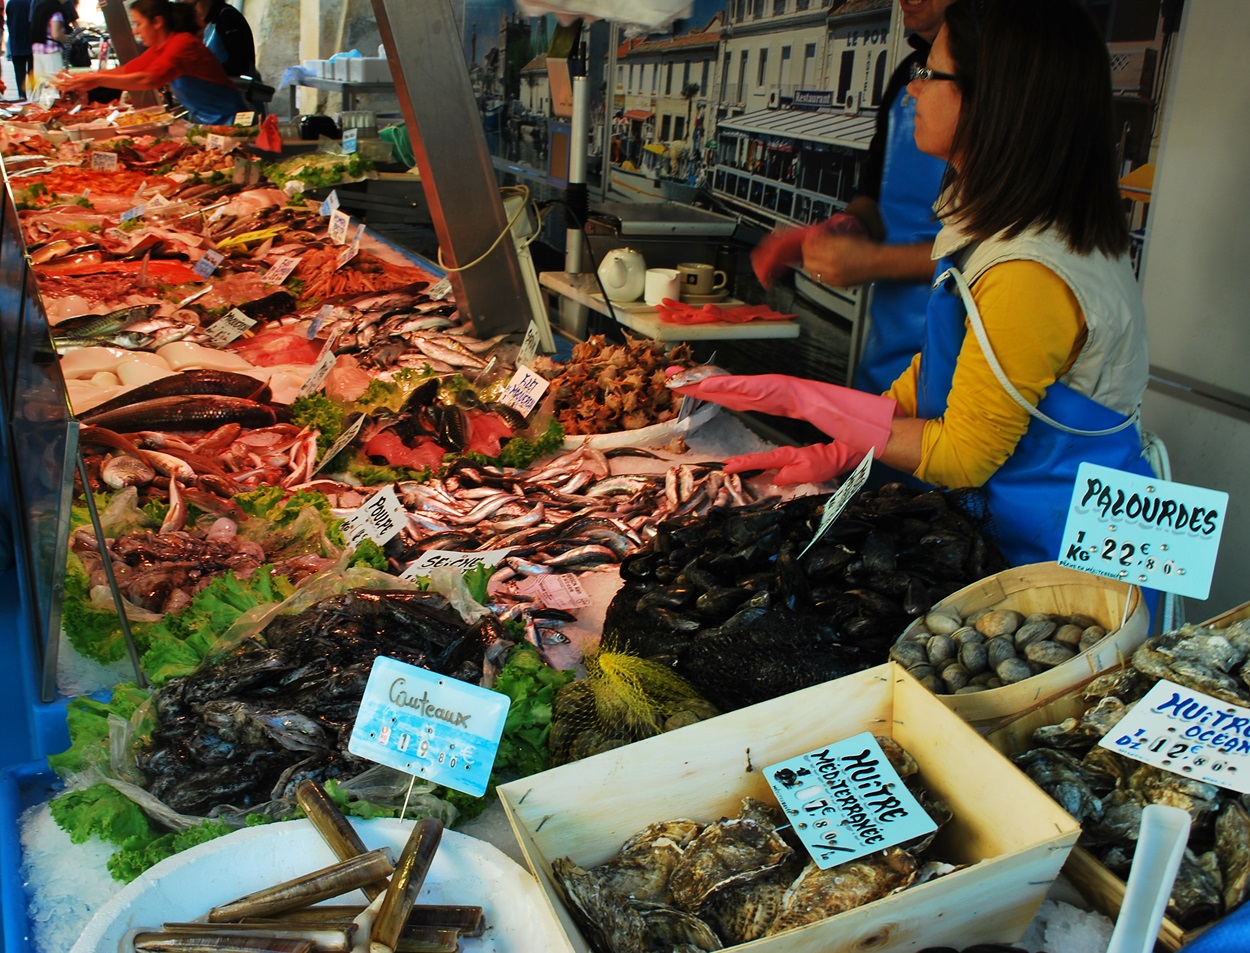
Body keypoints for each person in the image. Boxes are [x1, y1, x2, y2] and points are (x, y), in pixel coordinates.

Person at [670, 0, 1154, 577]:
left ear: (992, 98)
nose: (911, 92)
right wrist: (842, 448)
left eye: (929, 74)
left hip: (1066, 562)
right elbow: (939, 377)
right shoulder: (992, 229)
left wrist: (804, 399)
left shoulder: (1030, 270)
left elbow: (962, 456)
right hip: (1011, 532)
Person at [752, 0, 953, 395]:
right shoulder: (903, 77)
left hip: (964, 370)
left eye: (933, 77)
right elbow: (875, 196)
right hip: (890, 355)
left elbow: (1003, 254)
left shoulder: (1016, 90)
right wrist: (847, 226)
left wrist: (877, 261)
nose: (917, 88)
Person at [52, 0, 245, 124]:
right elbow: (127, 70)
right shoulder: (162, 46)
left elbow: (148, 80)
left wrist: (97, 81)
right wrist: (84, 77)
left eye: (138, 23)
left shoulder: (183, 44)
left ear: (157, 22)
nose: (135, 31)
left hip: (231, 121)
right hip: (208, 122)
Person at [190, 0, 257, 82]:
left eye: (194, 4)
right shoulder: (210, 23)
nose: (194, 11)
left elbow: (240, 64)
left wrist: (206, 71)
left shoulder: (227, 18)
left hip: (236, 89)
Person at [29, 0, 65, 85]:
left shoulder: (38, 7)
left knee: (40, 84)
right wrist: (70, 38)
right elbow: (56, 35)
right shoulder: (56, 12)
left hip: (37, 50)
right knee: (54, 84)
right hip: (51, 52)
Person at [7, 0, 31, 97]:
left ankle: (22, 96)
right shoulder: (31, 2)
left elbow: (9, 21)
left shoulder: (11, 3)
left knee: (19, 73)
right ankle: (34, 96)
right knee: (33, 73)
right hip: (30, 42)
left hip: (16, 42)